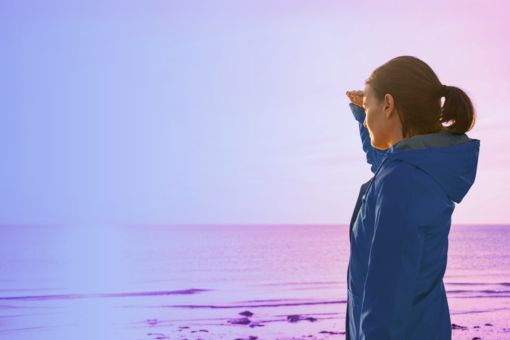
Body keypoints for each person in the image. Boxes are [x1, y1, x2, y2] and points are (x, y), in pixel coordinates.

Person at [343, 55, 480, 340]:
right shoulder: (416, 171)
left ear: (389, 105)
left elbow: (386, 303)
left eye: (369, 108)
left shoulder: (401, 184)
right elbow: (385, 163)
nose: (367, 118)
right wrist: (362, 115)